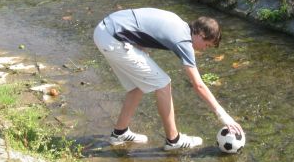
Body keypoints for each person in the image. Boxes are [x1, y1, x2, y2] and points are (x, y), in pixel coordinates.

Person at [93, 8, 242, 150]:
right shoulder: (184, 41)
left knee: (137, 86)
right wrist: (223, 115)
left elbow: (141, 24)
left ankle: (119, 133)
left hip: (105, 30)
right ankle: (173, 140)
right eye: (207, 45)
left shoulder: (178, 22)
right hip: (113, 39)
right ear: (201, 33)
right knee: (163, 83)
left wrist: (140, 48)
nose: (204, 49)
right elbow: (198, 85)